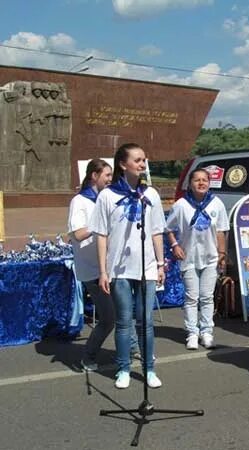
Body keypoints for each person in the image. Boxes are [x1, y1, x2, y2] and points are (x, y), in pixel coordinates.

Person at [91, 143, 165, 389]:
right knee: (124, 322)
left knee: (146, 321)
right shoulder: (107, 196)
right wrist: (103, 270)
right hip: (119, 269)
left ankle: (149, 368)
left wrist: (161, 263)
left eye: (144, 160)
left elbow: (156, 232)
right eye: (137, 160)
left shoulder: (150, 195)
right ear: (123, 164)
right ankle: (123, 368)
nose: (142, 164)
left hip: (147, 267)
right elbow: (101, 234)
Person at [166, 167, 229, 350]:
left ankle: (207, 331)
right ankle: (192, 333)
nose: (201, 183)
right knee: (191, 297)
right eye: (197, 180)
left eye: (205, 180)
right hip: (189, 257)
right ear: (190, 184)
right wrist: (174, 245)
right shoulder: (181, 205)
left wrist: (222, 254)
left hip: (211, 257)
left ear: (209, 184)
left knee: (207, 297)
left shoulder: (216, 203)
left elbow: (221, 231)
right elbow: (169, 228)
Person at [68, 159, 114, 371]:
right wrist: (100, 224)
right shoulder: (80, 201)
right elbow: (77, 234)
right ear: (94, 176)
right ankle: (88, 357)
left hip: (110, 267)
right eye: (107, 175)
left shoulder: (105, 199)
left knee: (123, 313)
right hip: (92, 270)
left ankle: (130, 350)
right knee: (108, 319)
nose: (110, 179)